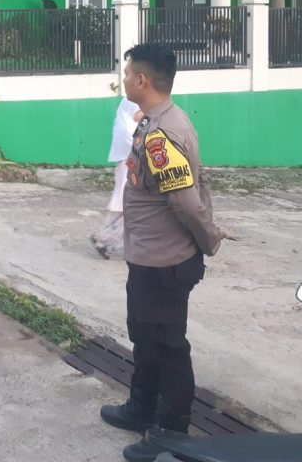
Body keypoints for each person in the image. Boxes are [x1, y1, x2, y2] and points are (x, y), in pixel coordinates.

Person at [99, 43, 226, 462]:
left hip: (165, 261)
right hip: (148, 256)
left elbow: (187, 204)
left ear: (143, 80)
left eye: (128, 71)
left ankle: (172, 432)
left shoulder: (162, 136)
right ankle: (142, 408)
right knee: (145, 337)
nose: (124, 77)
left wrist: (209, 241)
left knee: (168, 345)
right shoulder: (153, 122)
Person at [90, 97, 143, 259]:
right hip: (131, 152)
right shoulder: (138, 98)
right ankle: (103, 238)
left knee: (122, 202)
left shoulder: (129, 97)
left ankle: (102, 238)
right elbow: (139, 116)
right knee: (133, 205)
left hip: (126, 152)